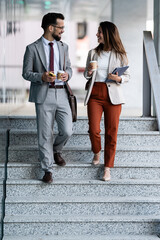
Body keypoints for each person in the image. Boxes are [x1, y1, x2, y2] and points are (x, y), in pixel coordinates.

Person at [22, 12, 73, 183]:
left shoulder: (64, 47)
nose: (62, 31)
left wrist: (67, 75)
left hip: (62, 94)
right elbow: (26, 73)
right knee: (45, 134)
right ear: (51, 28)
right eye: (61, 27)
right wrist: (41, 77)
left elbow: (69, 68)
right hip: (43, 95)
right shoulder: (32, 48)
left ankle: (56, 150)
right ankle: (47, 169)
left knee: (67, 130)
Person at [84, 21, 130, 181]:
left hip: (113, 96)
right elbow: (86, 75)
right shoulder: (92, 53)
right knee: (93, 129)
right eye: (97, 32)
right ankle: (97, 151)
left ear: (108, 34)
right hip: (95, 93)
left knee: (112, 133)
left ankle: (107, 168)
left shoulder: (120, 54)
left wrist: (118, 78)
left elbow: (127, 76)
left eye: (100, 32)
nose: (97, 35)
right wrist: (89, 72)